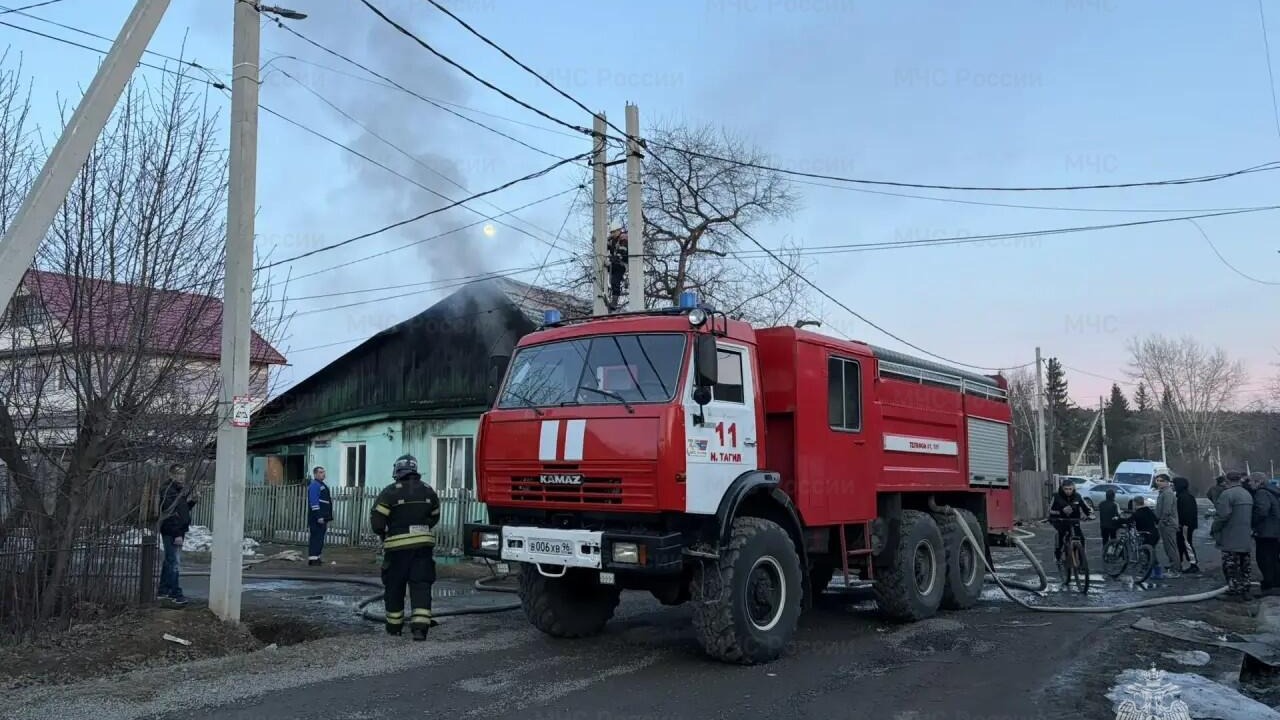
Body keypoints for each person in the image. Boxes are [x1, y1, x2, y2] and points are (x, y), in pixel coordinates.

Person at [370, 454, 441, 640]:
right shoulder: (428, 490)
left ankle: (394, 627)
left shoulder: (390, 492)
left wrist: (384, 533)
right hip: (423, 547)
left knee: (395, 586)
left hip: (397, 550)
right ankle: (420, 628)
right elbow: (435, 515)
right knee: (421, 585)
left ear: (397, 471)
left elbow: (377, 521)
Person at [1212, 471, 1255, 600]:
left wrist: (1215, 528)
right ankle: (1245, 589)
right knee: (1244, 563)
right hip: (1245, 534)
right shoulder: (1247, 494)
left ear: (1227, 481)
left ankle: (1234, 590)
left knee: (1230, 564)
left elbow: (1223, 515)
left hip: (1230, 534)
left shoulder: (1227, 494)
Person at [157, 463, 196, 606]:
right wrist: (177, 534)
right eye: (179, 474)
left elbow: (181, 510)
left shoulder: (178, 489)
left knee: (169, 561)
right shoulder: (168, 490)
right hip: (172, 530)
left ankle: (163, 590)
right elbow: (170, 513)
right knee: (174, 562)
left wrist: (192, 502)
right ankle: (175, 594)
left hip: (176, 530)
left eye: (183, 474)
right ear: (171, 474)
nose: (181, 477)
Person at [1049, 479, 1093, 564]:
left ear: (1073, 488)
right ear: (1062, 488)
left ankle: (1082, 561)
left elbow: (1087, 508)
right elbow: (1050, 510)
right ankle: (1058, 555)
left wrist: (1090, 515)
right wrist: (1060, 512)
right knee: (1061, 536)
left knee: (1081, 538)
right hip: (1060, 520)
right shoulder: (1056, 496)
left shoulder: (1078, 496)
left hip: (1074, 520)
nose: (1068, 491)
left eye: (1070, 489)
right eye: (1066, 489)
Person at [1251, 471, 1280, 596]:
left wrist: (1252, 522)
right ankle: (1275, 583)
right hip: (1274, 531)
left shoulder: (1261, 493)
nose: (1250, 484)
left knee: (1264, 558)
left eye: (1251, 481)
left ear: (1258, 482)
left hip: (1266, 531)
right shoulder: (1273, 491)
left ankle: (1269, 585)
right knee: (1273, 558)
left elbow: (1262, 511)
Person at [1153, 474, 1181, 578]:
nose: (1158, 482)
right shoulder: (1162, 493)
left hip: (1168, 524)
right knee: (1167, 547)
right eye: (1157, 480)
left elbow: (1167, 510)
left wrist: (1162, 521)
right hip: (1165, 523)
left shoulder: (1168, 493)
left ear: (1166, 482)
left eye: (1161, 480)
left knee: (1171, 547)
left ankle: (1175, 570)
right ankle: (1172, 566)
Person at [1173, 476, 1200, 574]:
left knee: (1186, 543)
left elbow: (1186, 513)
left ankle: (1193, 563)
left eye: (1174, 485)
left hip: (1185, 525)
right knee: (1181, 543)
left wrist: (1182, 523)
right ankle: (1179, 562)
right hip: (1185, 524)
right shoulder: (1185, 496)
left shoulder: (1184, 497)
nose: (1173, 487)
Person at [307, 466, 333, 566]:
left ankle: (317, 557)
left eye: (323, 472)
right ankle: (313, 559)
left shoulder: (321, 485)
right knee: (316, 537)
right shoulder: (314, 485)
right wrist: (318, 516)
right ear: (315, 474)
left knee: (320, 537)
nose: (323, 474)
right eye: (321, 472)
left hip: (322, 516)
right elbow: (314, 502)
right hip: (317, 517)